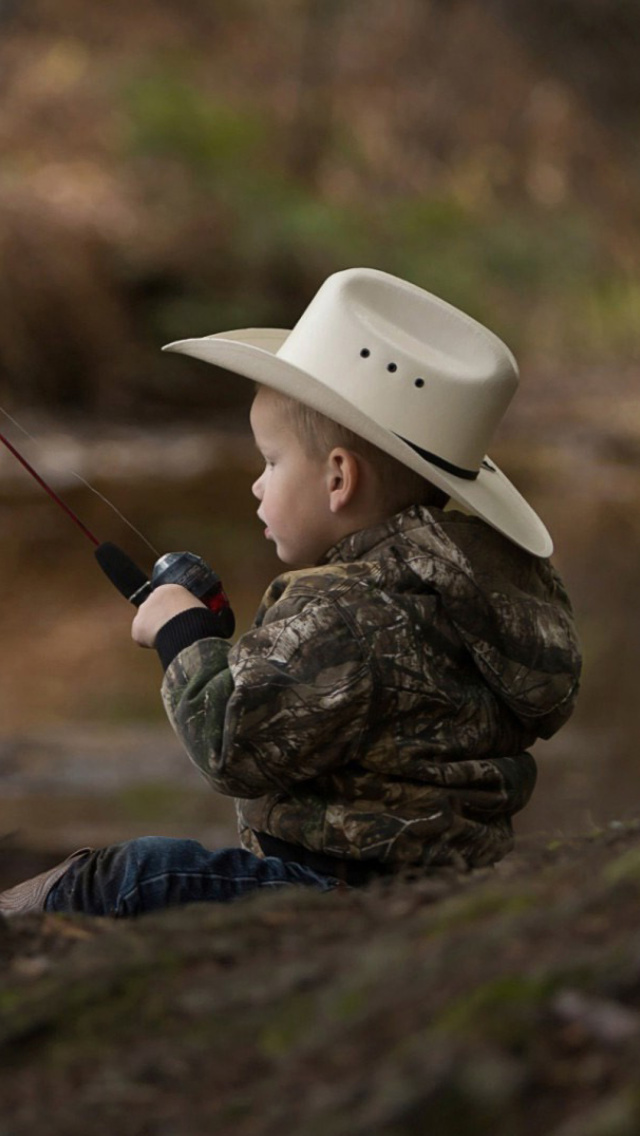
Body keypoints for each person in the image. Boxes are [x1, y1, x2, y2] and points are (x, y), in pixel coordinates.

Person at [0, 267, 581, 918]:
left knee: (122, 878)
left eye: (270, 461)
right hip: (442, 883)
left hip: (340, 891)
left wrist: (181, 633)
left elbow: (231, 748)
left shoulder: (345, 611)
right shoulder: (470, 593)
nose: (256, 484)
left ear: (339, 478)